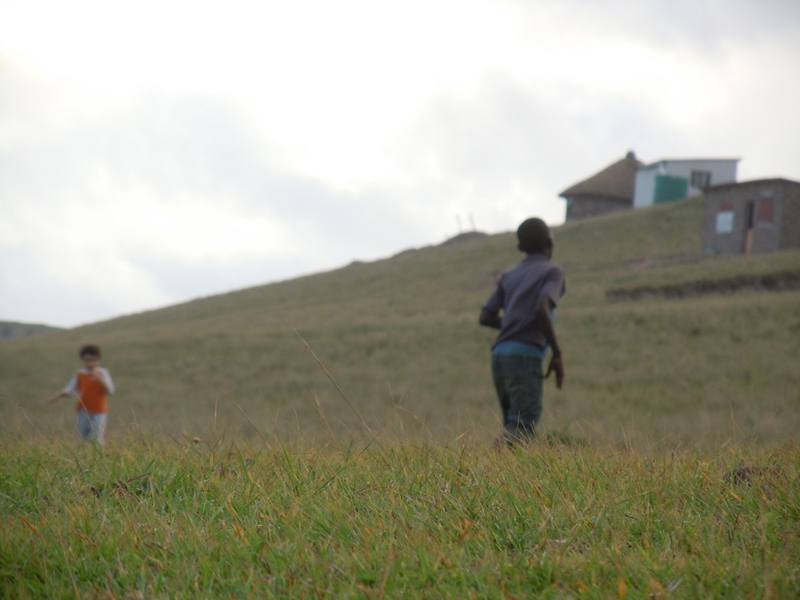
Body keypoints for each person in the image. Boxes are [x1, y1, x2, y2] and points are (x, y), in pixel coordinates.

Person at [479, 217, 565, 446]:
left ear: (520, 248)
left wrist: (512, 325)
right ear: (550, 241)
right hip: (525, 357)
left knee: (512, 424)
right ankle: (491, 465)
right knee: (523, 428)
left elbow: (486, 317)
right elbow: (541, 308)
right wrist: (557, 353)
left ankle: (500, 474)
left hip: (500, 357)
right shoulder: (553, 272)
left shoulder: (510, 274)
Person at [48, 345, 115, 444]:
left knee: (97, 436)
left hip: (99, 410)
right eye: (87, 360)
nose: (90, 363)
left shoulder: (102, 373)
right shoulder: (79, 374)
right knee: (82, 436)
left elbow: (110, 390)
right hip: (83, 410)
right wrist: (58, 395)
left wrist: (101, 381)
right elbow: (71, 390)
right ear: (82, 360)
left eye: (93, 360)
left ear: (98, 360)